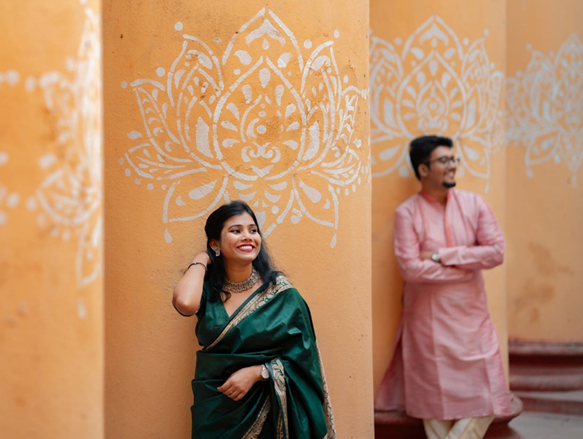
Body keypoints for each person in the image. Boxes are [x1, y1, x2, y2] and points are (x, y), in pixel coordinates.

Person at [375, 135, 514, 439]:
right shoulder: (407, 213)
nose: (452, 166)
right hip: (429, 325)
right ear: (423, 169)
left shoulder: (475, 204)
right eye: (444, 160)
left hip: (473, 321)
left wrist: (444, 256)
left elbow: (495, 252)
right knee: (433, 408)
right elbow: (411, 269)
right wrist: (466, 269)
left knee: (489, 394)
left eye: (453, 159)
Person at [173, 200, 335, 439]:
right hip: (216, 409)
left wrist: (260, 372)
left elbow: (304, 357)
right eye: (236, 231)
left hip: (270, 409)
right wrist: (201, 258)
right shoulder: (206, 290)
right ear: (215, 243)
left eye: (253, 230)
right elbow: (185, 304)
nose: (247, 236)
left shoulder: (282, 294)